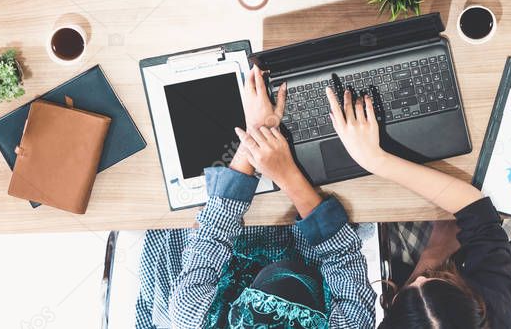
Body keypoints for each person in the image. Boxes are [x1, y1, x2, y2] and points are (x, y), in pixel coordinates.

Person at [134, 66, 376, 328]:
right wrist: (287, 175)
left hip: (206, 265)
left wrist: (258, 131)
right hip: (307, 243)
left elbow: (216, 225)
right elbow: (340, 252)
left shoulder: (193, 316)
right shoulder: (354, 324)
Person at [326, 87, 511, 327]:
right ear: (476, 305)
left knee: (380, 203)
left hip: (470, 267)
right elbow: (478, 212)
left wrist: (431, 260)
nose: (417, 280)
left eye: (410, 290)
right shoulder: (498, 311)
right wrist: (375, 160)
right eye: (428, 281)